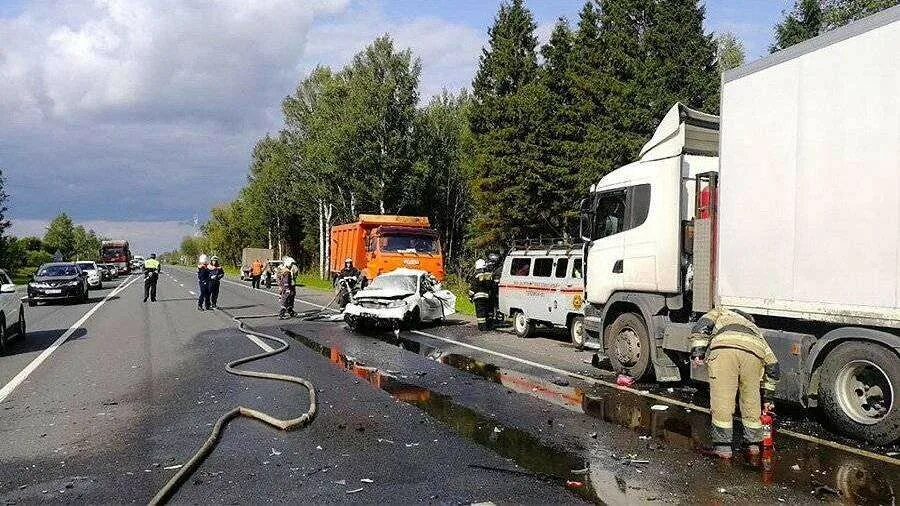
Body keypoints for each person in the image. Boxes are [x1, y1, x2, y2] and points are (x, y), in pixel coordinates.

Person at [690, 307, 780, 459]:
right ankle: (753, 446)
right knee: (751, 400)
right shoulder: (754, 329)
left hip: (725, 349)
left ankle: (723, 448)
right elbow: (773, 366)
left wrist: (698, 352)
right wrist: (768, 398)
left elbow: (703, 324)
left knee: (723, 399)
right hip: (753, 354)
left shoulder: (722, 311)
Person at [468, 258, 494, 331]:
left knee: (480, 313)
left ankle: (482, 328)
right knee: (486, 311)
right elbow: (491, 286)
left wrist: (470, 297)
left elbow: (472, 288)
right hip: (487, 296)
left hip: (478, 298)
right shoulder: (488, 275)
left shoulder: (475, 275)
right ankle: (489, 326)